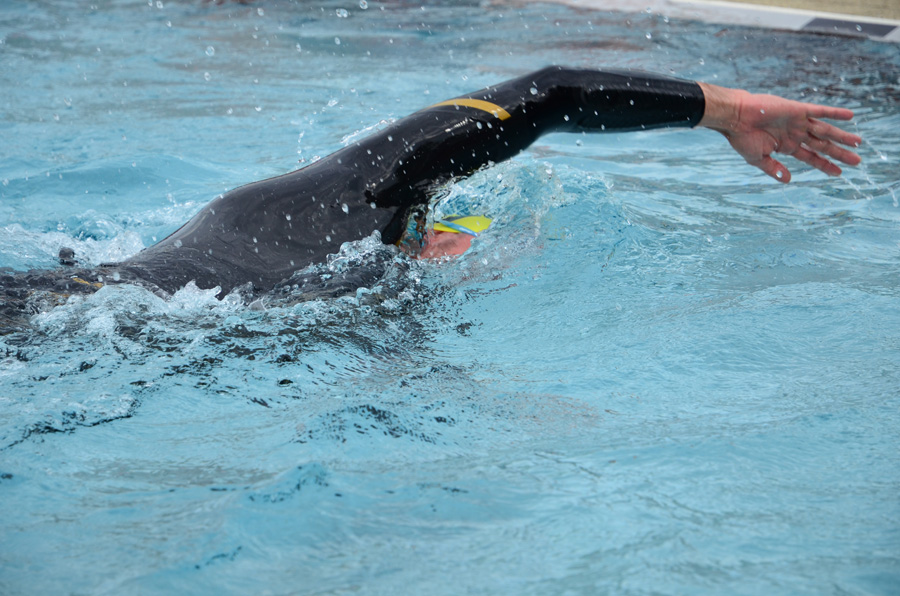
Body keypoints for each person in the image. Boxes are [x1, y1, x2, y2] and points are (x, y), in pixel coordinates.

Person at [1, 66, 861, 323]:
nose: (455, 239)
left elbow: (543, 95)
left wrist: (725, 112)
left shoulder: (277, 206)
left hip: (77, 291)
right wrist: (733, 111)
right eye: (451, 235)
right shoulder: (358, 260)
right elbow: (551, 92)